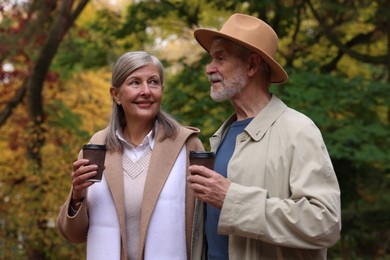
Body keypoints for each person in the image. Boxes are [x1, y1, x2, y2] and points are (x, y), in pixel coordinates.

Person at [187, 13, 341, 259]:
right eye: (211, 59)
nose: (209, 68)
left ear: (251, 65)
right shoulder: (222, 135)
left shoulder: (299, 130)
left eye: (220, 58)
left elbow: (325, 223)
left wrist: (233, 200)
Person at [57, 51, 205, 260]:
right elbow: (73, 234)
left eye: (153, 82)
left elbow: (204, 225)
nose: (146, 91)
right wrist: (77, 196)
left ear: (162, 90)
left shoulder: (187, 146)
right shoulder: (96, 148)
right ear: (116, 94)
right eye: (135, 83)